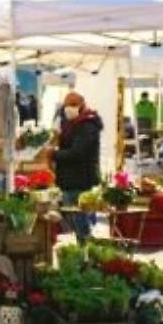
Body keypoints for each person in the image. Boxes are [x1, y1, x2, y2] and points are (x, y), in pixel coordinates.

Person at [43, 91, 101, 243]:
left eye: (73, 105)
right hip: (70, 178)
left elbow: (77, 152)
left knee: (79, 218)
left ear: (82, 105)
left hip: (79, 178)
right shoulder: (72, 124)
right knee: (75, 218)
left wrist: (54, 154)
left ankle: (86, 248)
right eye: (67, 105)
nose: (69, 108)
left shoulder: (87, 125)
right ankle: (84, 246)